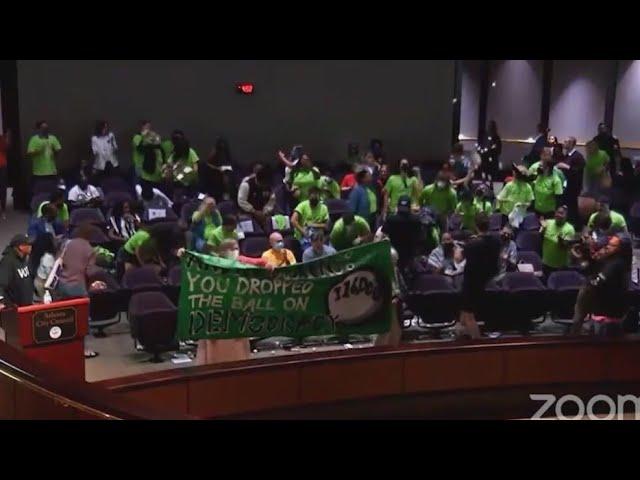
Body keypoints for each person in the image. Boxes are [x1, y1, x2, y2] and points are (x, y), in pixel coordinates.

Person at [570, 234, 631, 336]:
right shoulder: (607, 258)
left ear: (620, 249)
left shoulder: (616, 263)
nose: (607, 247)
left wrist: (588, 285)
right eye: (609, 244)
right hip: (600, 307)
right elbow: (589, 270)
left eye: (612, 245)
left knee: (604, 344)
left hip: (608, 312)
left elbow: (597, 282)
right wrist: (585, 259)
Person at [458, 213, 501, 339]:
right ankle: (461, 334)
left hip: (472, 282)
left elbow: (458, 259)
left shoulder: (472, 244)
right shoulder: (496, 241)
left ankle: (477, 344)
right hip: (487, 278)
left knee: (469, 315)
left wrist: (457, 249)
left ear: (475, 225)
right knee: (463, 312)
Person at [381, 195, 426, 270]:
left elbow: (384, 233)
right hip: (410, 252)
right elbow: (421, 236)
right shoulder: (416, 220)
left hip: (395, 251)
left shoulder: (391, 219)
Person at [237, 163, 276, 231]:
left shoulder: (268, 187)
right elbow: (241, 201)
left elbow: (271, 201)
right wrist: (254, 211)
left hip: (262, 214)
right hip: (247, 213)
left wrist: (264, 212)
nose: (264, 185)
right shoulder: (246, 185)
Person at [0, 234, 34, 309]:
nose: (31, 246)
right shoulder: (7, 261)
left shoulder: (24, 259)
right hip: (15, 309)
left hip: (27, 305)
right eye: (28, 244)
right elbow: (1, 283)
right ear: (21, 247)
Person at [541, 206, 575, 277]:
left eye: (562, 213)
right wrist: (543, 229)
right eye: (558, 212)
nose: (559, 215)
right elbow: (539, 239)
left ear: (566, 216)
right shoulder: (548, 222)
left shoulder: (570, 229)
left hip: (560, 266)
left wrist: (560, 240)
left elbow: (564, 247)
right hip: (546, 262)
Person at [557, 137, 585, 226]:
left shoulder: (578, 156)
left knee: (572, 206)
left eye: (566, 141)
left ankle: (575, 225)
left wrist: (566, 167)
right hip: (566, 185)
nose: (564, 143)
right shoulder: (566, 155)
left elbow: (579, 170)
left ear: (572, 144)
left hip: (573, 186)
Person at [200, 137, 235, 202]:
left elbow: (229, 186)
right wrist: (202, 197)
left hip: (222, 195)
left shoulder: (229, 166)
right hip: (208, 194)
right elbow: (202, 186)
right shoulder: (206, 166)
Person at [531, 151, 563, 219]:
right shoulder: (539, 176)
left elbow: (559, 199)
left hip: (549, 212)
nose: (539, 167)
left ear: (548, 167)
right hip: (537, 209)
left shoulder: (556, 180)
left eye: (541, 166)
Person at [0, 129, 11, 220]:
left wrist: (7, 137)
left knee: (2, 188)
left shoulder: (1, 138)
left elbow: (6, 147)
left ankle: (3, 210)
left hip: (2, 165)